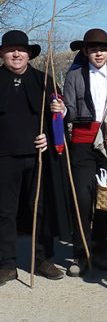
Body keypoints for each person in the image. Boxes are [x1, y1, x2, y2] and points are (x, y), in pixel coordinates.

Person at [0, 30, 70, 285]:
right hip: (3, 158)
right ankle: (6, 264)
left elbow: (60, 121)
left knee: (40, 209)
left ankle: (42, 259)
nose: (16, 54)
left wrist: (52, 129)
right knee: (4, 212)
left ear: (29, 54)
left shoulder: (45, 81)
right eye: (10, 50)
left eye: (21, 50)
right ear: (3, 54)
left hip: (38, 156)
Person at [63, 28, 107, 276]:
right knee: (83, 199)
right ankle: (80, 253)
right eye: (94, 49)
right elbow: (67, 108)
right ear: (86, 51)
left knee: (104, 200)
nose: (99, 53)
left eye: (103, 49)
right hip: (82, 143)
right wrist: (60, 110)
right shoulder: (74, 76)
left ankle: (99, 251)